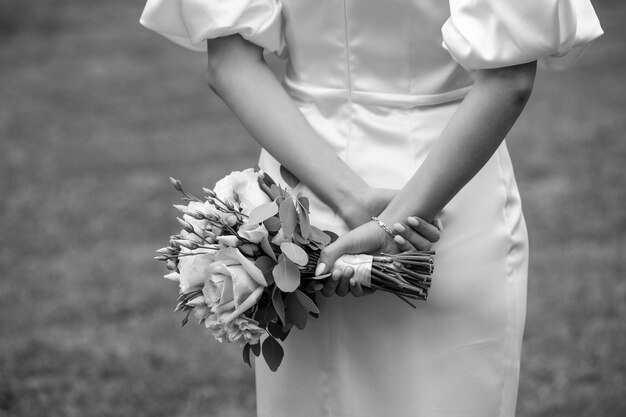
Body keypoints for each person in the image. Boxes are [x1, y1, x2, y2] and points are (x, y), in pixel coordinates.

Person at [140, 1, 603, 416]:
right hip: (441, 196)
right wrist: (391, 215)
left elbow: (230, 62)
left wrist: (347, 199)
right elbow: (509, 76)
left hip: (298, 192)